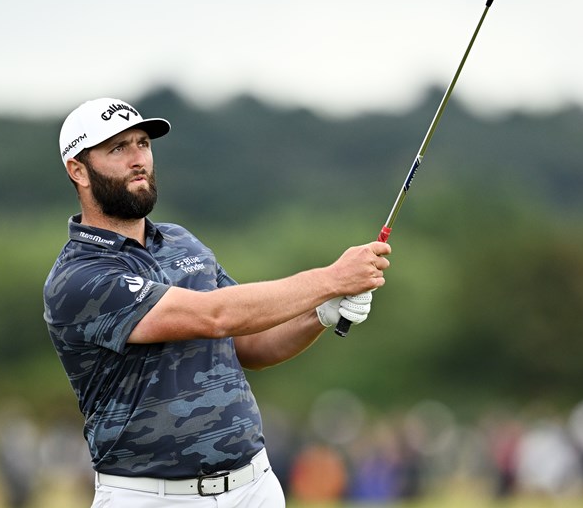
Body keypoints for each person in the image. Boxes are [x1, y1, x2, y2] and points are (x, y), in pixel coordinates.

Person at [43, 97, 392, 507]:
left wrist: (319, 313)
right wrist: (329, 279)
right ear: (77, 170)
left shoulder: (180, 241)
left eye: (142, 143)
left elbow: (251, 344)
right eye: (118, 148)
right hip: (151, 497)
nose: (138, 159)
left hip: (254, 485)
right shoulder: (78, 277)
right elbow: (215, 316)